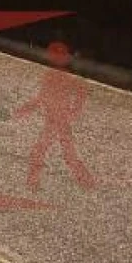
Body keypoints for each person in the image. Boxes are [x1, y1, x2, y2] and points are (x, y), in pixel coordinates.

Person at [15, 40, 96, 191]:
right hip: (54, 119)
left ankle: (33, 184)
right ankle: (87, 182)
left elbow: (79, 94)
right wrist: (26, 109)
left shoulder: (63, 76)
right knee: (67, 154)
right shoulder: (53, 75)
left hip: (57, 120)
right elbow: (42, 97)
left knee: (42, 151)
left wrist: (72, 112)